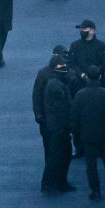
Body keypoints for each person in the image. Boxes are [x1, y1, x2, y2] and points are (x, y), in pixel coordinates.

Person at [71, 66, 105, 200]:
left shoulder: (80, 95)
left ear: (87, 77)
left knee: (91, 164)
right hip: (104, 134)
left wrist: (76, 134)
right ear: (99, 77)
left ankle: (95, 190)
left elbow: (75, 117)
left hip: (87, 135)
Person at [42, 56, 75, 194]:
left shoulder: (55, 82)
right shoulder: (56, 85)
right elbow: (61, 109)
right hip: (58, 126)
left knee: (61, 154)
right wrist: (69, 125)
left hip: (57, 125)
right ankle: (51, 183)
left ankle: (57, 182)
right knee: (58, 155)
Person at [69, 19, 105, 85]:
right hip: (79, 82)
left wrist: (95, 73)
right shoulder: (75, 46)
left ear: (92, 31)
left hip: (98, 82)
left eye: (84, 29)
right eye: (80, 29)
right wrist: (82, 74)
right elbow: (72, 63)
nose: (81, 31)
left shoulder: (102, 46)